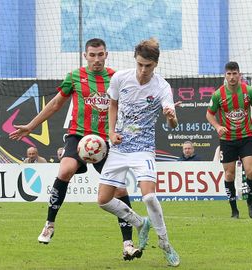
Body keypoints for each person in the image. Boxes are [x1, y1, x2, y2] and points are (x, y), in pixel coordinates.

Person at [9, 38, 141, 260]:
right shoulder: (74, 77)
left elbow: (127, 106)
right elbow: (55, 104)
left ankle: (128, 243)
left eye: (100, 55)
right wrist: (31, 126)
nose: (96, 59)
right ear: (85, 56)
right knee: (65, 170)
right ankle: (49, 224)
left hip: (105, 141)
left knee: (119, 190)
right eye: (92, 55)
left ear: (106, 55)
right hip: (78, 136)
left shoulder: (115, 77)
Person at [97, 38, 180, 267]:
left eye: (149, 66)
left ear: (156, 64)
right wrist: (111, 132)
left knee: (149, 196)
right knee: (103, 200)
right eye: (140, 64)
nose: (143, 70)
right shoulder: (120, 78)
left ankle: (164, 242)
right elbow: (113, 105)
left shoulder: (162, 87)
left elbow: (172, 122)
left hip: (143, 149)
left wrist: (171, 118)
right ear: (135, 60)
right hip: (119, 148)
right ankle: (140, 222)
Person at [206, 61, 252, 219]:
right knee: (229, 174)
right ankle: (234, 209)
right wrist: (217, 127)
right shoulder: (218, 94)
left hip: (246, 137)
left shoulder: (248, 91)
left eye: (234, 74)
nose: (232, 77)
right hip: (227, 140)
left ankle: (250, 201)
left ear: (239, 74)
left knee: (250, 171)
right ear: (225, 75)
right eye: (229, 74)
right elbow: (209, 114)